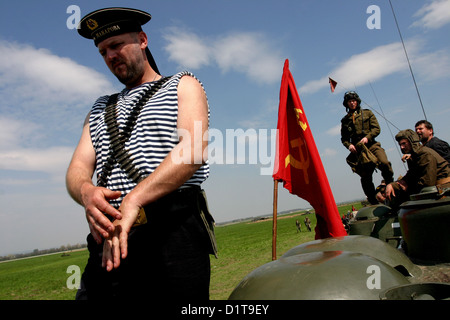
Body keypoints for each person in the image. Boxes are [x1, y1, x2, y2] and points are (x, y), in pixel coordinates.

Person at [65, 7, 217, 300]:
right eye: (103, 51)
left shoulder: (183, 85)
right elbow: (77, 168)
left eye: (116, 44)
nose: (110, 56)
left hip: (173, 234)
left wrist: (135, 198)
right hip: (109, 240)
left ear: (143, 40)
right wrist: (85, 191)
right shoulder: (98, 109)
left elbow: (193, 150)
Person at [340, 91, 394, 205]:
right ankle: (373, 200)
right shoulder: (345, 120)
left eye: (354, 101)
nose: (352, 103)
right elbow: (344, 139)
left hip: (372, 145)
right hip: (359, 150)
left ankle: (391, 185)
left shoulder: (367, 113)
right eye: (349, 101)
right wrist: (349, 145)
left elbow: (376, 129)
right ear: (346, 103)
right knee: (365, 177)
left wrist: (367, 137)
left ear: (357, 101)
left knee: (384, 163)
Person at [385, 129, 450, 204]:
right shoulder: (416, 156)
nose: (402, 147)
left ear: (412, 142)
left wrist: (408, 188)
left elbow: (427, 182)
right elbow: (410, 176)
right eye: (400, 145)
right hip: (435, 189)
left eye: (404, 143)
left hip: (442, 189)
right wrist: (392, 185)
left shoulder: (424, 154)